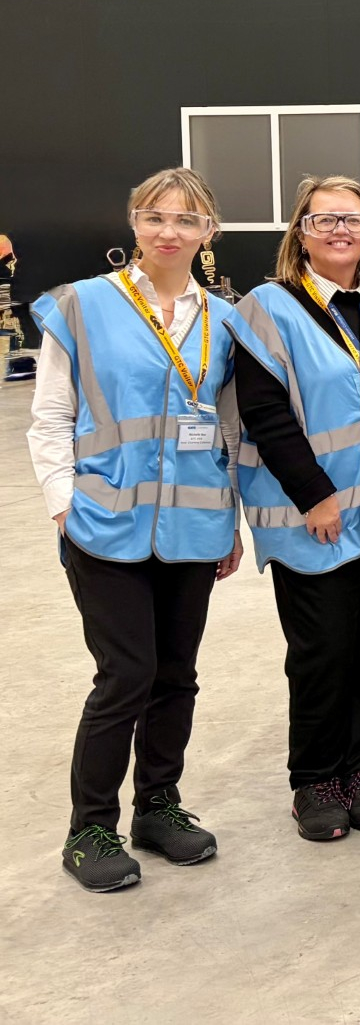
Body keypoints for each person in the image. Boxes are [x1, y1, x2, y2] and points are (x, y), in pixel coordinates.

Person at [27, 169, 245, 892]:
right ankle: (90, 826)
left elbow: (227, 426)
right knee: (125, 674)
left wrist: (232, 519)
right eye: (155, 217)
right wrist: (64, 502)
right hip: (104, 523)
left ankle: (159, 806)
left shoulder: (222, 318)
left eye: (187, 220)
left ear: (208, 232)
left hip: (192, 524)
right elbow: (50, 416)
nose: (169, 231)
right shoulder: (84, 306)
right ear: (133, 223)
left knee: (176, 676)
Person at [231, 176, 360, 843]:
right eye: (325, 220)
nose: (341, 231)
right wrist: (313, 495)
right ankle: (314, 777)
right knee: (322, 647)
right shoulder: (269, 307)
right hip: (310, 513)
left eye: (354, 219)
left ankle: (359, 768)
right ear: (300, 231)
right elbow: (265, 412)